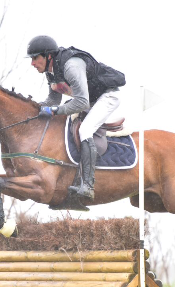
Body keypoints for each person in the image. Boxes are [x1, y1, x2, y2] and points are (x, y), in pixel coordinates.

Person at [27, 35, 126, 201]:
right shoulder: (51, 73)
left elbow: (81, 102)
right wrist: (33, 107)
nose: (32, 63)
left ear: (48, 55)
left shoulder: (71, 67)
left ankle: (88, 185)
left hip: (107, 97)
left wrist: (53, 111)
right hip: (91, 101)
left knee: (85, 130)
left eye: (35, 58)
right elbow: (53, 101)